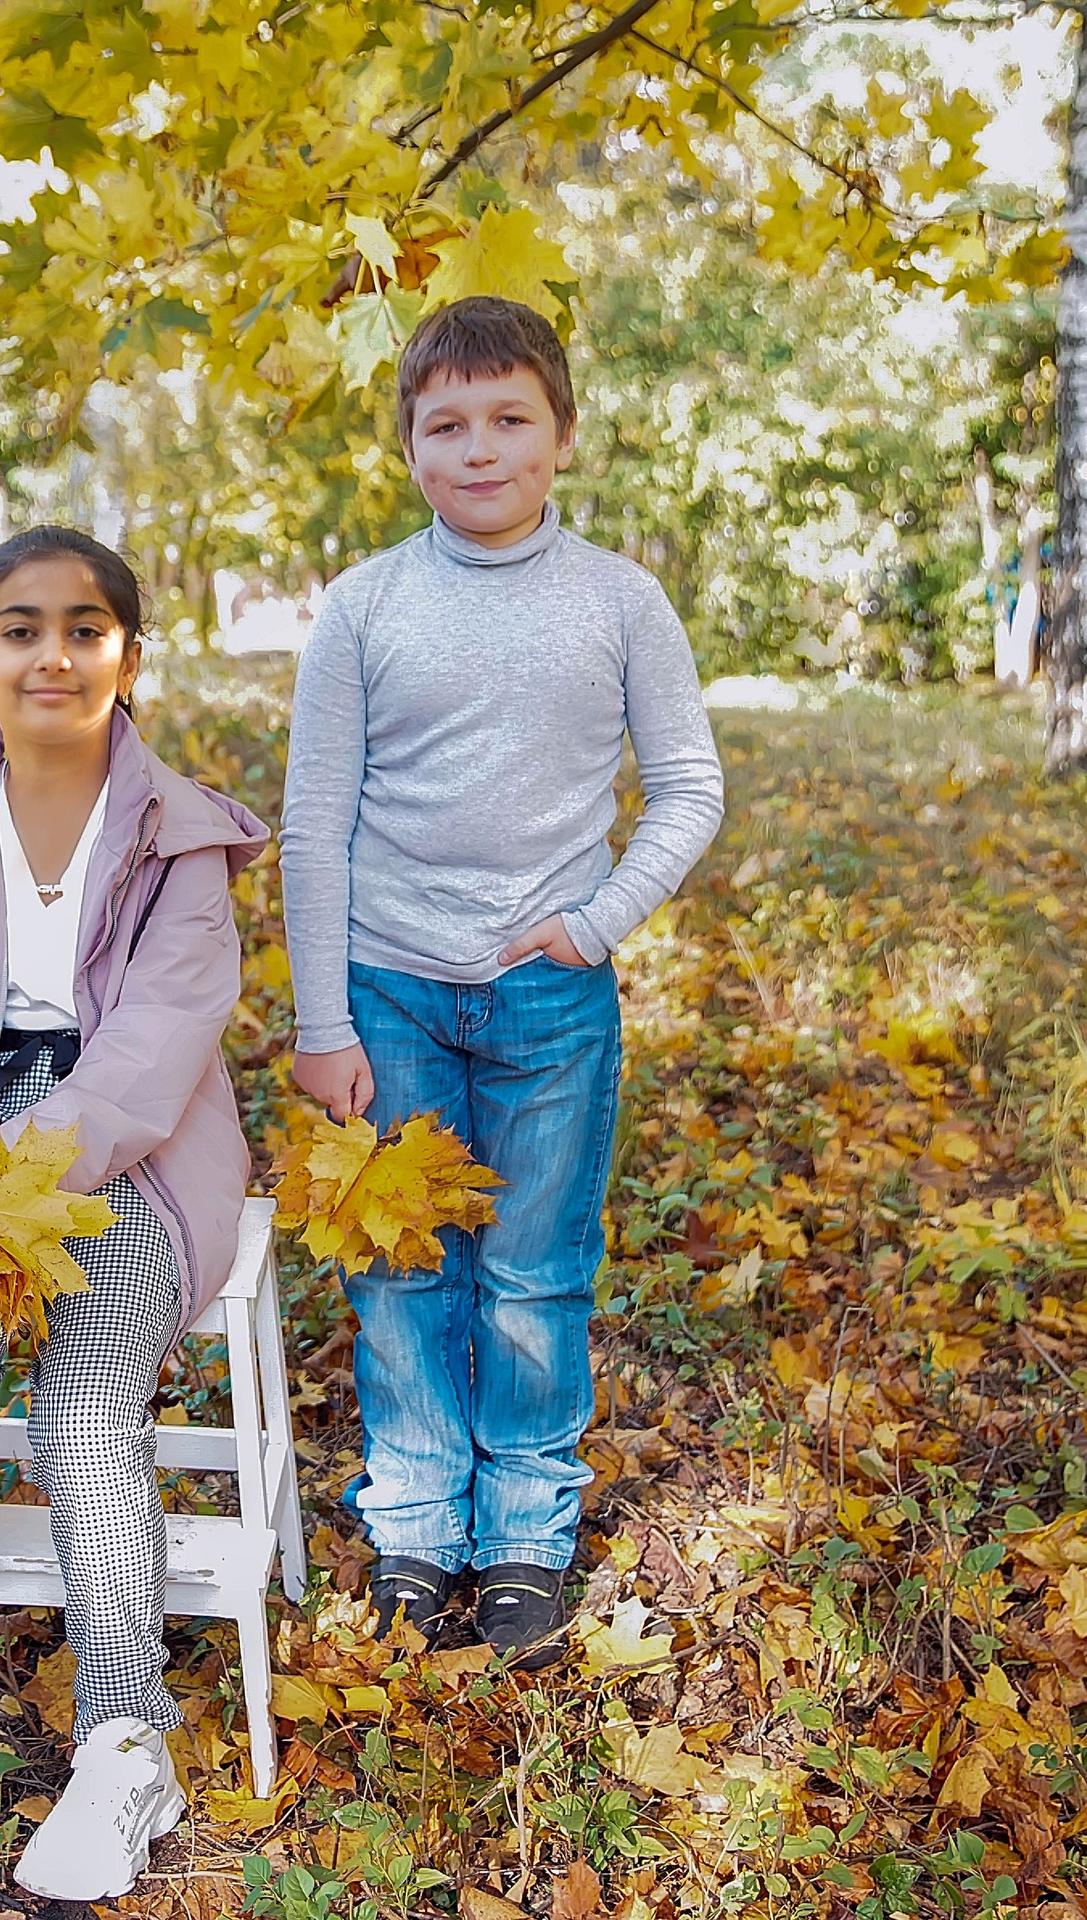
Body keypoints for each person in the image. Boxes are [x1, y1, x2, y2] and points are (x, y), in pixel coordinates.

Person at [281, 296, 724, 1663]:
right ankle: (417, 1521)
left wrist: (595, 924)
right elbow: (316, 820)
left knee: (534, 1274)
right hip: (390, 992)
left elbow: (689, 789)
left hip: (549, 1002)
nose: (480, 448)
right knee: (404, 1271)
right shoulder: (363, 608)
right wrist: (320, 1019)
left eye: (509, 419)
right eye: (447, 424)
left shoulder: (619, 601)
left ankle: (528, 1528)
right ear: (410, 447)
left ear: (563, 436)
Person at [0, 527, 266, 1901]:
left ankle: (124, 1740)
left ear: (128, 656)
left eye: (87, 627)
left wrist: (11, 1177)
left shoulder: (179, 833)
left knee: (90, 1403)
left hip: (128, 1143)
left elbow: (154, 1048)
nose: (53, 652)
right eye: (21, 627)